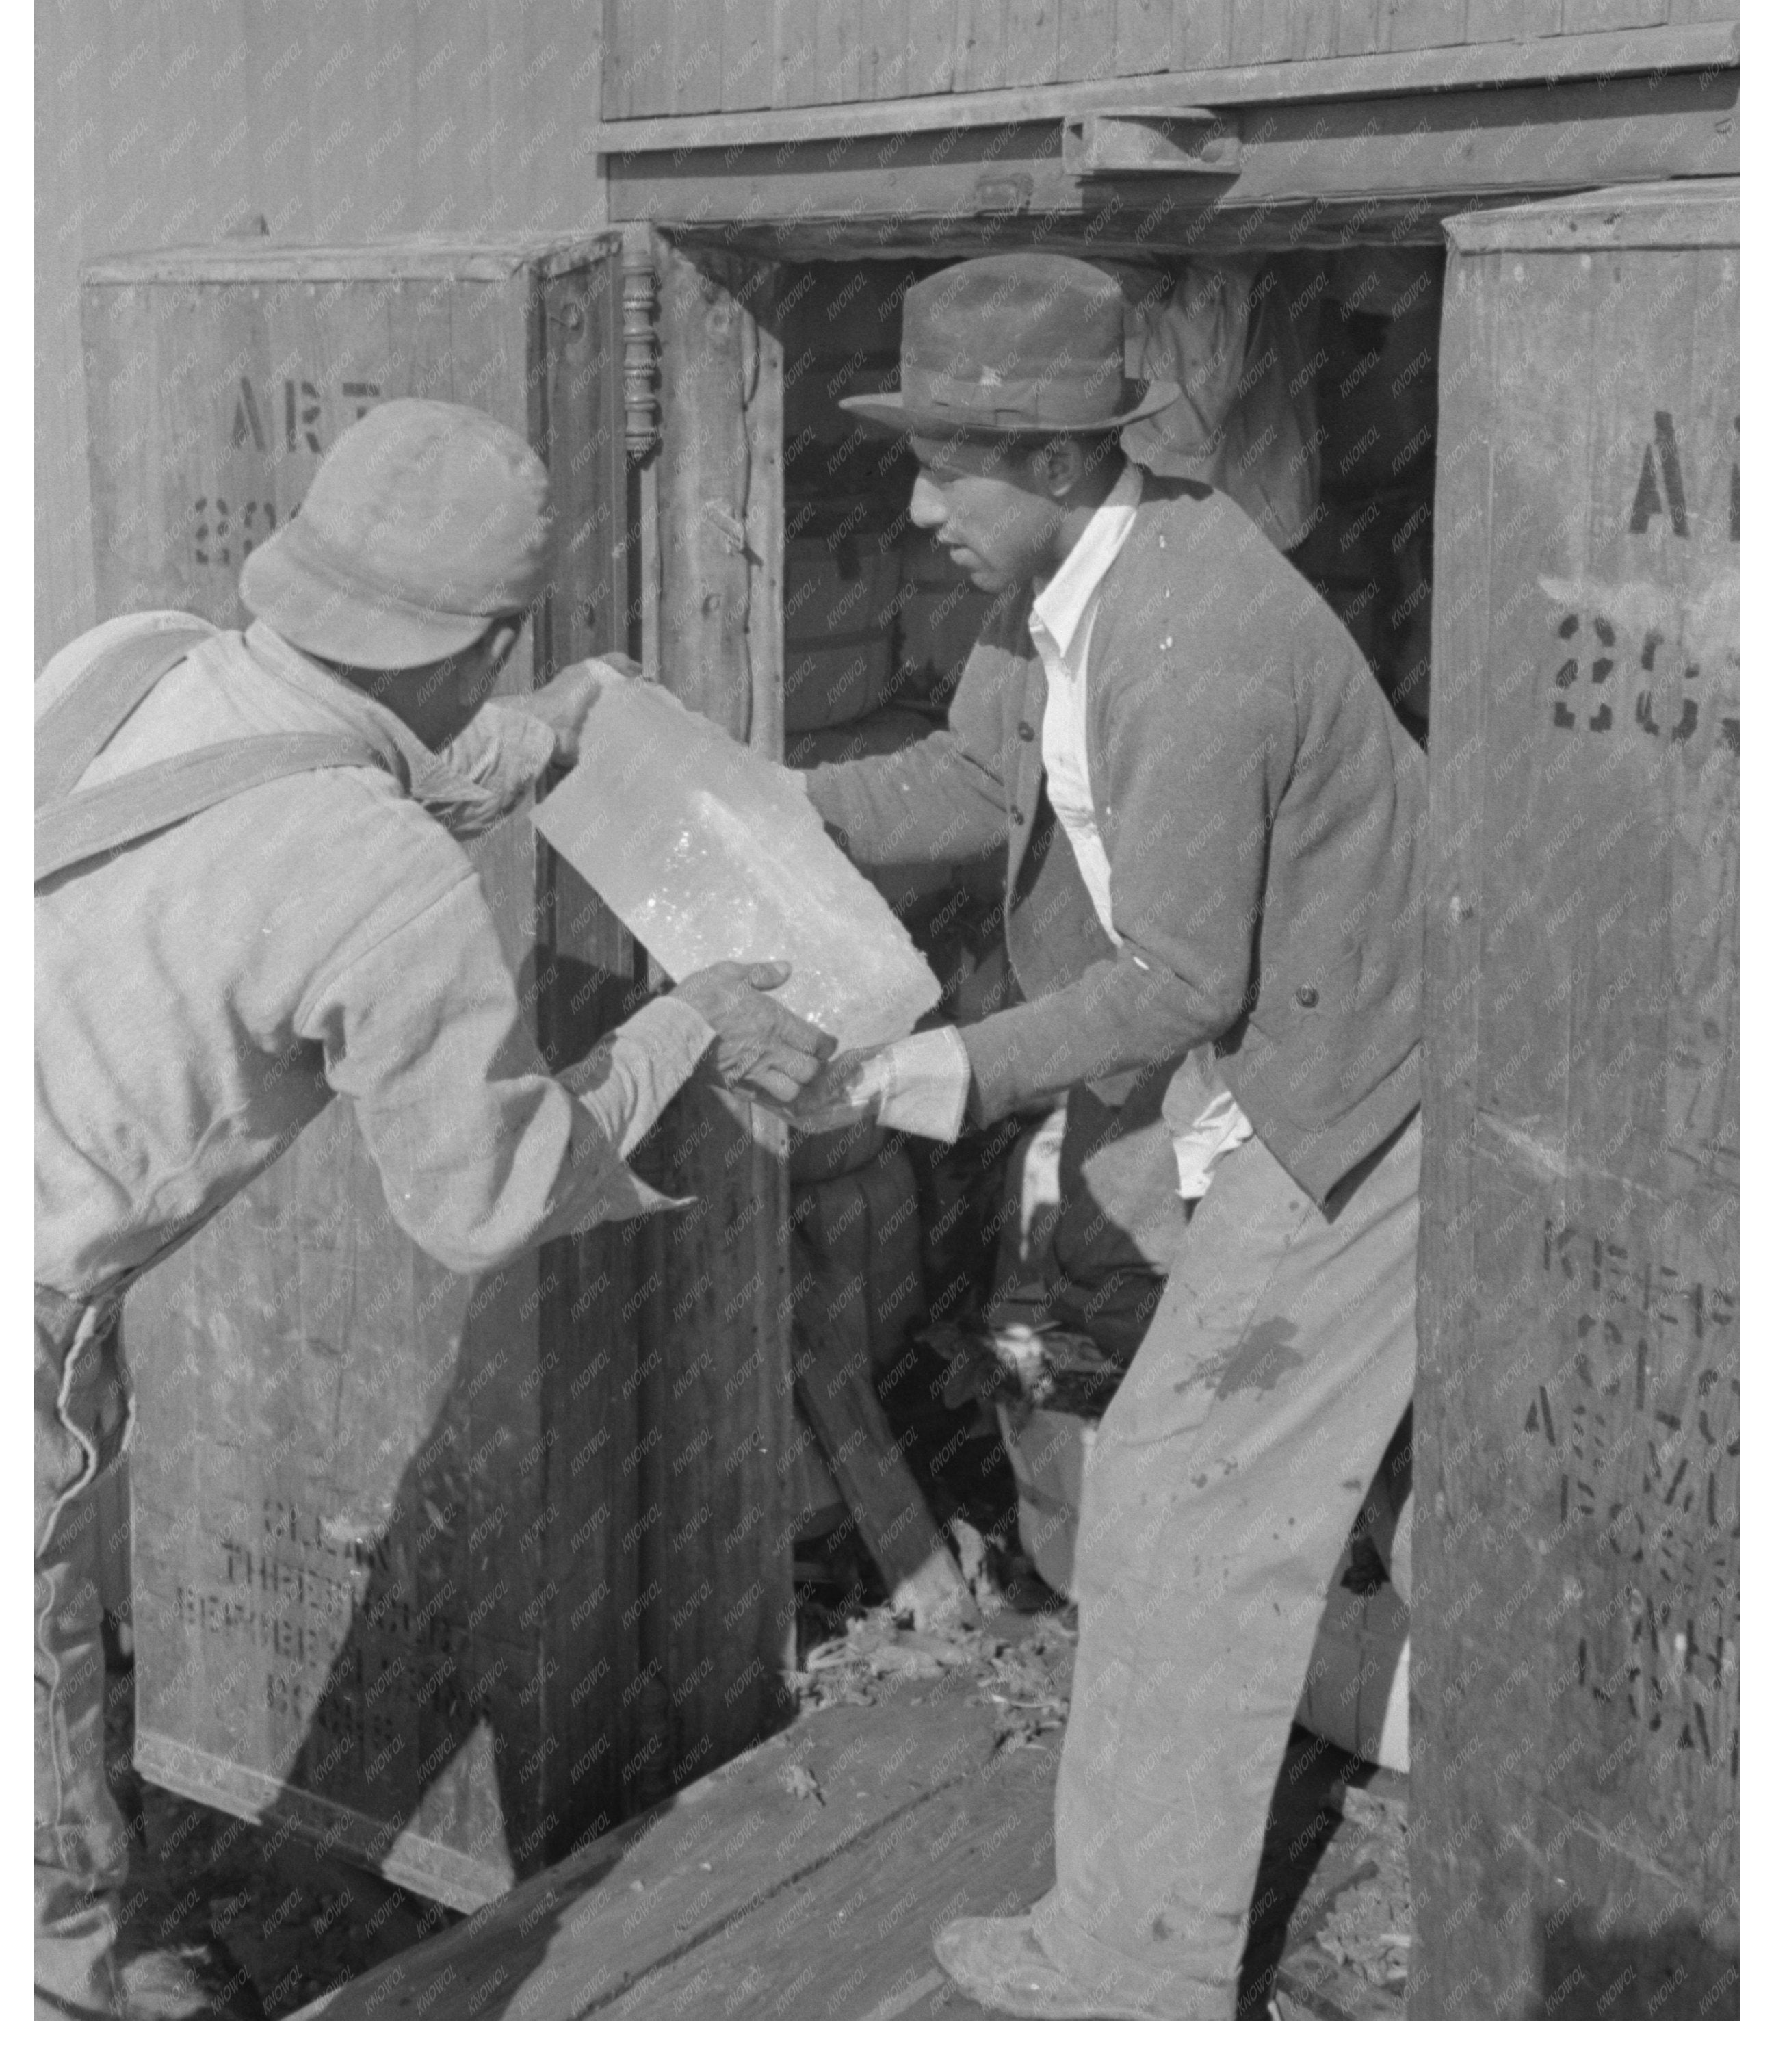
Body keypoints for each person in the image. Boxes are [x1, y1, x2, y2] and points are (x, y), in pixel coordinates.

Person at [34, 398, 829, 2021]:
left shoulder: (133, 655)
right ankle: (80, 1992)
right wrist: (681, 1022)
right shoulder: (384, 879)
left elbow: (291, 789)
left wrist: (532, 737)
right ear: (484, 638)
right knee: (28, 1687)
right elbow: (493, 1193)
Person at [796, 252, 1426, 2019]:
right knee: (1170, 1481)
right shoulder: (1055, 605)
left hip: (1372, 1087)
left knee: (1175, 1482)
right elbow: (978, 784)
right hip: (1278, 1064)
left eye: (942, 464)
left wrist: (962, 1067)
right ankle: (1134, 1930)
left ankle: (1135, 1968)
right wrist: (781, 804)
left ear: (1064, 466)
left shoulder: (1195, 635)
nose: (914, 502)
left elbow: (1172, 973)